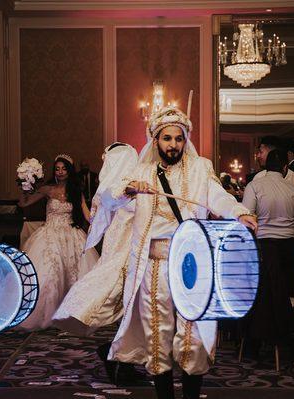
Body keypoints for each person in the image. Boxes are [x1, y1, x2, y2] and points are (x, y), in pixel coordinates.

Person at [105, 106, 258, 399]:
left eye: (178, 138)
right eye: (167, 138)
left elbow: (218, 197)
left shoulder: (201, 168)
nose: (173, 144)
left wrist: (239, 213)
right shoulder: (141, 172)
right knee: (157, 335)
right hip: (153, 263)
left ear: (185, 140)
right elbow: (109, 200)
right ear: (156, 140)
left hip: (191, 263)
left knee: (195, 335)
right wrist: (129, 190)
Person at [52, 143, 139, 384]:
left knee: (135, 311)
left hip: (135, 253)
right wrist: (130, 190)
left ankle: (121, 358)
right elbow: (113, 197)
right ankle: (119, 359)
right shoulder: (114, 189)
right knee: (130, 308)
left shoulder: (133, 186)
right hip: (123, 254)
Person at [17, 154, 99, 330]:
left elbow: (87, 215)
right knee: (49, 272)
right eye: (57, 169)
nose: (60, 172)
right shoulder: (47, 189)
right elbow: (24, 203)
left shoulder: (76, 191)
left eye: (64, 169)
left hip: (72, 234)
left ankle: (73, 313)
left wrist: (103, 217)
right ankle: (46, 313)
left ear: (69, 172)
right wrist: (25, 185)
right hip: (49, 234)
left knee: (76, 274)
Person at [240, 149, 294, 358]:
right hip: (290, 247)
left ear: (266, 166)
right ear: (285, 168)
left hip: (264, 246)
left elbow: (246, 218)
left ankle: (254, 344)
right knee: (285, 293)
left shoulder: (255, 186)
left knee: (261, 295)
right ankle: (285, 342)